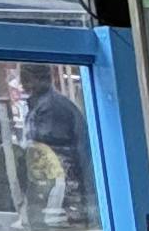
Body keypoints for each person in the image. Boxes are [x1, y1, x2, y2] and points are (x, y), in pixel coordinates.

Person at [12, 67, 93, 222]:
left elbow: (56, 158)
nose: (22, 84)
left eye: (25, 78)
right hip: (58, 190)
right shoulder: (41, 105)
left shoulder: (51, 108)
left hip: (64, 193)